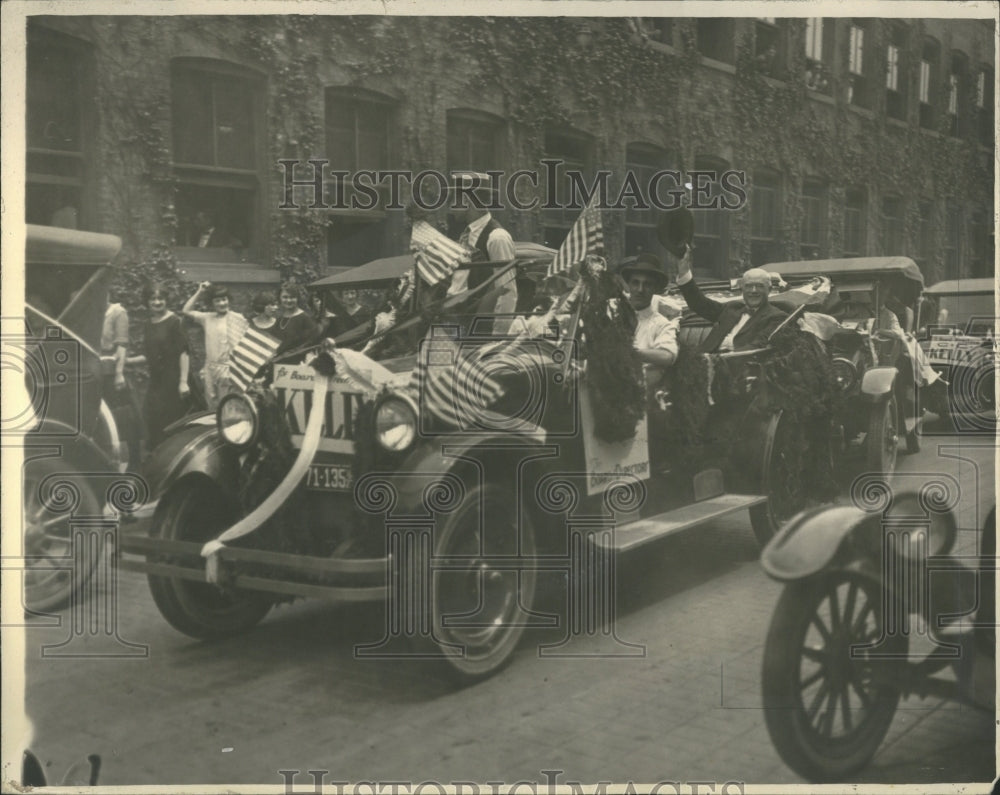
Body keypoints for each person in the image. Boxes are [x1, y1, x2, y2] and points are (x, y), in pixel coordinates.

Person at [675, 245, 788, 352]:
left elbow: (758, 346)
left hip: (740, 365)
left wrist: (725, 359)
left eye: (759, 286)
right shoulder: (731, 308)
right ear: (742, 289)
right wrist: (683, 270)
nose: (753, 291)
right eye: (748, 286)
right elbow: (699, 304)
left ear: (769, 289)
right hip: (705, 359)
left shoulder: (777, 317)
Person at [446, 171, 518, 330]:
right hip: (457, 324)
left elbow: (507, 292)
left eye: (453, 200)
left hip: (478, 331)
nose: (450, 208)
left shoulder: (497, 237)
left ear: (466, 200)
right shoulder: (466, 235)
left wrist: (497, 340)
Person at [129, 284, 191, 449]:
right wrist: (126, 361)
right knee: (151, 418)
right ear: (147, 302)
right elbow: (149, 356)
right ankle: (157, 460)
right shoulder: (148, 324)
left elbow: (184, 352)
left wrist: (183, 382)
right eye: (153, 299)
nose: (157, 302)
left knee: (171, 420)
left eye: (160, 298)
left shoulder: (175, 321)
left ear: (166, 300)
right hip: (157, 380)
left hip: (174, 379)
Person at [619, 253, 679, 387]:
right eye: (635, 283)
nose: (640, 290)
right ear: (628, 286)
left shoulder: (661, 324)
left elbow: (668, 356)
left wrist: (633, 353)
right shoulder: (613, 314)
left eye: (647, 284)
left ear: (655, 289)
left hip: (639, 390)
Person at [182, 282, 243, 409]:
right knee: (212, 406)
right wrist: (200, 291)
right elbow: (186, 310)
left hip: (228, 368)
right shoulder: (207, 318)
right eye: (217, 301)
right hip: (210, 368)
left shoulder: (238, 318)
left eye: (224, 299)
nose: (222, 303)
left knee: (227, 406)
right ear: (212, 304)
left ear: (228, 300)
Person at [101, 287, 141, 466]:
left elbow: (122, 346)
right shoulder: (93, 314)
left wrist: (118, 374)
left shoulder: (118, 312)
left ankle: (132, 462)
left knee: (122, 417)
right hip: (96, 370)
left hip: (112, 371)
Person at [274, 282, 320, 355]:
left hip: (297, 360)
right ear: (280, 298)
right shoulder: (279, 317)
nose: (289, 300)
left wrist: (289, 354)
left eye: (292, 297)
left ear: (298, 298)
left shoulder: (306, 319)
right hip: (277, 359)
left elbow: (310, 343)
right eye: (285, 297)